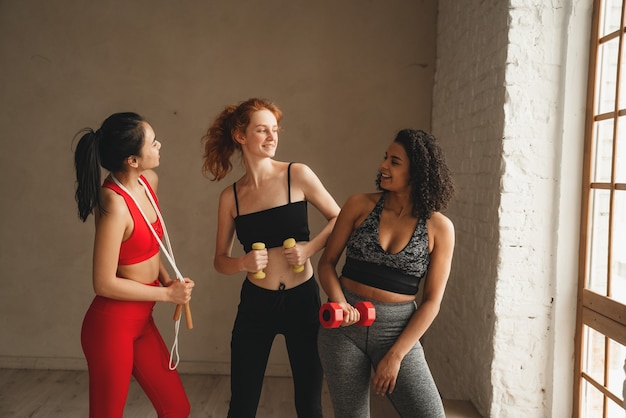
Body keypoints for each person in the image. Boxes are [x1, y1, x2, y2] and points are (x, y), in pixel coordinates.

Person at [201, 98, 340, 418]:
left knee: (309, 404)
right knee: (241, 406)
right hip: (256, 305)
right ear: (241, 136)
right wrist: (242, 263)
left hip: (302, 301)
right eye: (262, 130)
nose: (271, 136)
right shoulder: (231, 197)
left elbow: (340, 219)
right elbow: (220, 260)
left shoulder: (297, 175)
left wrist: (309, 248)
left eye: (274, 130)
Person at [317, 129, 455, 418]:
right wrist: (340, 302)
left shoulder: (440, 228)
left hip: (397, 331)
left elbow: (432, 301)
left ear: (416, 172)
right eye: (385, 158)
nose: (383, 166)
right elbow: (327, 263)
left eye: (394, 161)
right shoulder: (358, 205)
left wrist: (396, 355)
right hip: (345, 327)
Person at [73, 112, 195, 418]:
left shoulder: (147, 181)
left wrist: (168, 281)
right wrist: (167, 296)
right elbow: (103, 283)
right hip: (111, 326)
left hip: (142, 320)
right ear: (132, 160)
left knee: (177, 409)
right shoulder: (113, 201)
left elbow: (149, 246)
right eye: (152, 143)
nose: (159, 145)